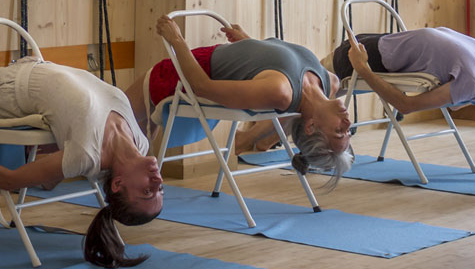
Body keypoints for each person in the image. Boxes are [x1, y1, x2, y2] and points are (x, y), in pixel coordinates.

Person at [0, 58, 164, 269]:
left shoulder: (87, 154)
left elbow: (9, 180)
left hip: (6, 90)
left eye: (147, 190)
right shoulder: (140, 143)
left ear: (118, 184)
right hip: (37, 65)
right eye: (159, 189)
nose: (157, 181)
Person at [124, 16, 354, 185]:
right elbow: (274, 63)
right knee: (126, 129)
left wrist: (176, 39)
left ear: (311, 125)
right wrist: (248, 42)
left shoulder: (280, 91)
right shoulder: (330, 82)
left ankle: (123, 179)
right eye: (348, 133)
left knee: (119, 116)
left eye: (339, 132)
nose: (348, 126)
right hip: (211, 58)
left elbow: (203, 87)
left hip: (185, 74)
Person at [330, 26, 475, 137]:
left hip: (369, 58)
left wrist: (363, 69)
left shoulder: (474, 84)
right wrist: (458, 101)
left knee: (316, 85)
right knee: (318, 87)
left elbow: (406, 106)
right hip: (381, 42)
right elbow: (459, 104)